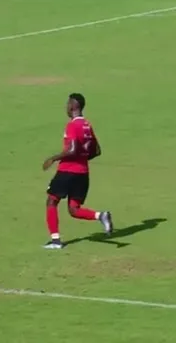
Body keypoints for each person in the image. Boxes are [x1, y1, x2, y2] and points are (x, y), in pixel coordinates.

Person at [41, 93, 113, 249]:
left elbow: (72, 149)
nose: (66, 107)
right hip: (83, 173)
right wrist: (82, 159)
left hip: (67, 171)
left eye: (68, 104)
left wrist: (54, 158)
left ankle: (55, 241)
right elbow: (97, 151)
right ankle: (101, 216)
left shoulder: (72, 125)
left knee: (51, 201)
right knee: (74, 209)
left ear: (74, 106)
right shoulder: (87, 125)